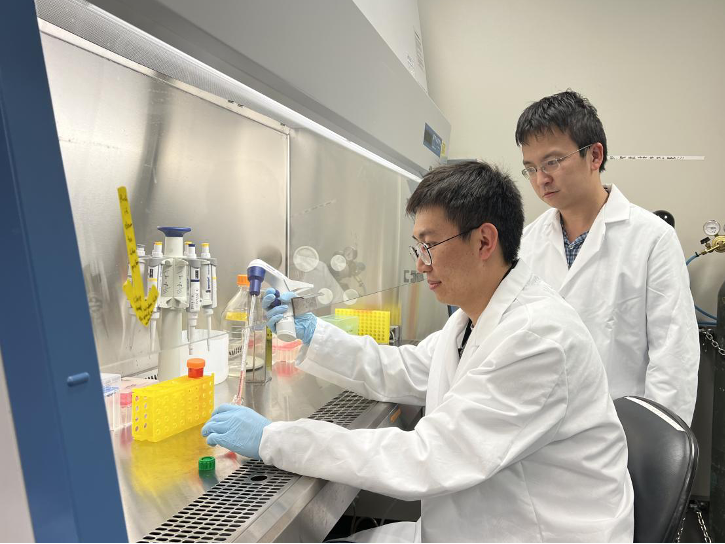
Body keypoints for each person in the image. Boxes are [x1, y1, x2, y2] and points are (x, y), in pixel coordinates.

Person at [202, 161, 634, 542]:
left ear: (484, 242)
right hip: (475, 526)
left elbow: (424, 458)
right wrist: (315, 336)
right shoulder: (476, 316)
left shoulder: (537, 337)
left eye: (430, 245)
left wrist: (274, 438)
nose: (421, 263)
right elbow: (406, 368)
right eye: (418, 246)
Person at [515, 90, 699, 425]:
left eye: (552, 162)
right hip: (541, 435)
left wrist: (654, 452)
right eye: (531, 167)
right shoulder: (527, 243)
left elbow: (674, 361)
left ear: (594, 155)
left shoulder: (652, 239)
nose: (541, 179)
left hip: (623, 438)